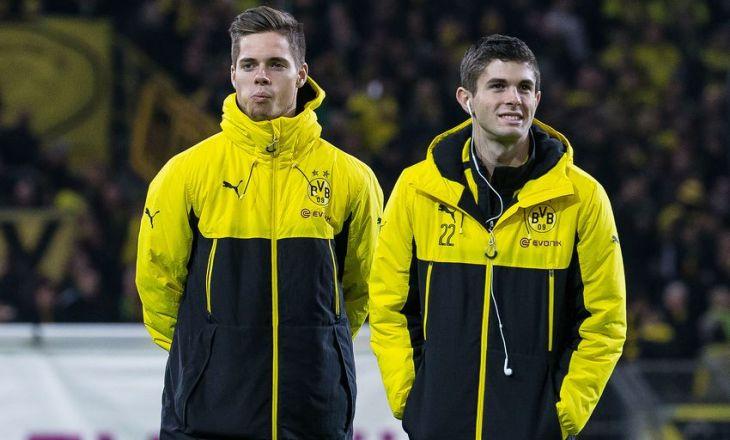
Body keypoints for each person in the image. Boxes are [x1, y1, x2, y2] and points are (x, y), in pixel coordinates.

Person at [136, 6, 383, 439]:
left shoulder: (351, 178)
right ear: (233, 74)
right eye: (249, 64)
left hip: (312, 414)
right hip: (207, 417)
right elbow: (158, 284)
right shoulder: (185, 174)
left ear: (301, 74)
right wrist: (206, 353)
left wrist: (321, 343)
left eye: (276, 64)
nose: (261, 76)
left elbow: (362, 288)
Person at [369, 34, 626, 439]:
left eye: (524, 87)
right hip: (438, 425)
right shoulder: (417, 189)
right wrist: (412, 400)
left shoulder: (581, 197)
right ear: (466, 99)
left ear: (537, 99)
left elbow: (604, 321)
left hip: (532, 430)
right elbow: (389, 306)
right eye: (498, 86)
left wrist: (561, 415)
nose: (513, 99)